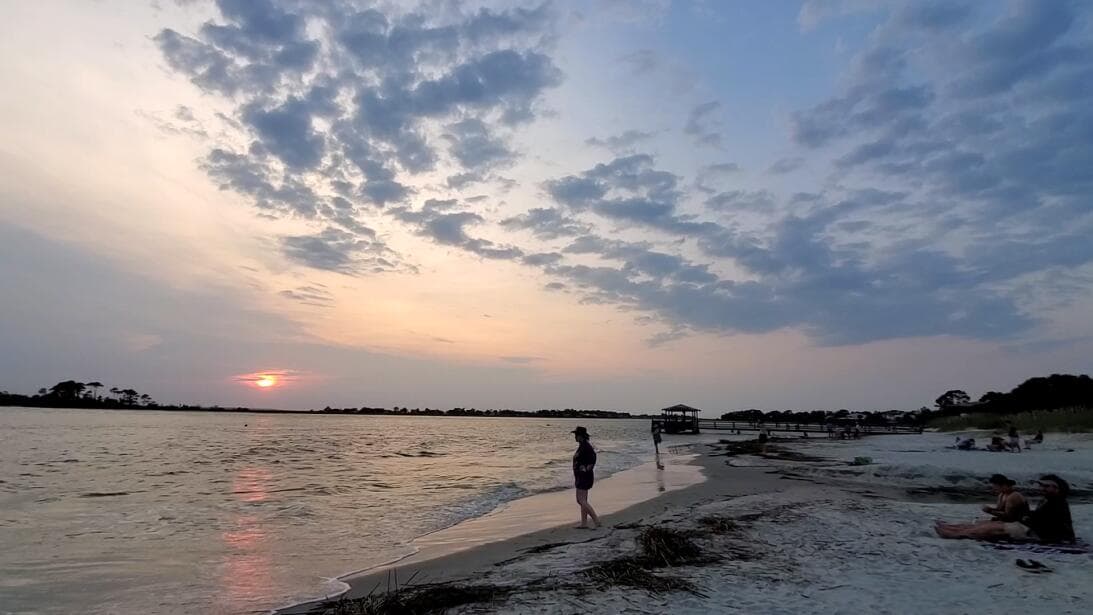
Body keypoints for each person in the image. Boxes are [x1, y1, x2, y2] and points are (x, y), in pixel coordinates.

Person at [935, 475, 1075, 544]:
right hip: (1033, 527)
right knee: (988, 524)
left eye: (1046, 486)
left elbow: (1044, 522)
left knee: (992, 528)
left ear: (1057, 489)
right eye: (1041, 486)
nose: (1042, 489)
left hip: (1043, 535)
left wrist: (1021, 518)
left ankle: (955, 534)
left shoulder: (1058, 503)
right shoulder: (1047, 500)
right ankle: (953, 528)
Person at [571, 426, 600, 529]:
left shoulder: (586, 447)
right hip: (581, 476)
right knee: (583, 500)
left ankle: (596, 520)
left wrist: (585, 470)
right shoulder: (582, 445)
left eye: (576, 435)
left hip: (584, 477)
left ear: (580, 436)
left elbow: (592, 459)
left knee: (581, 500)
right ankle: (584, 523)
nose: (575, 437)